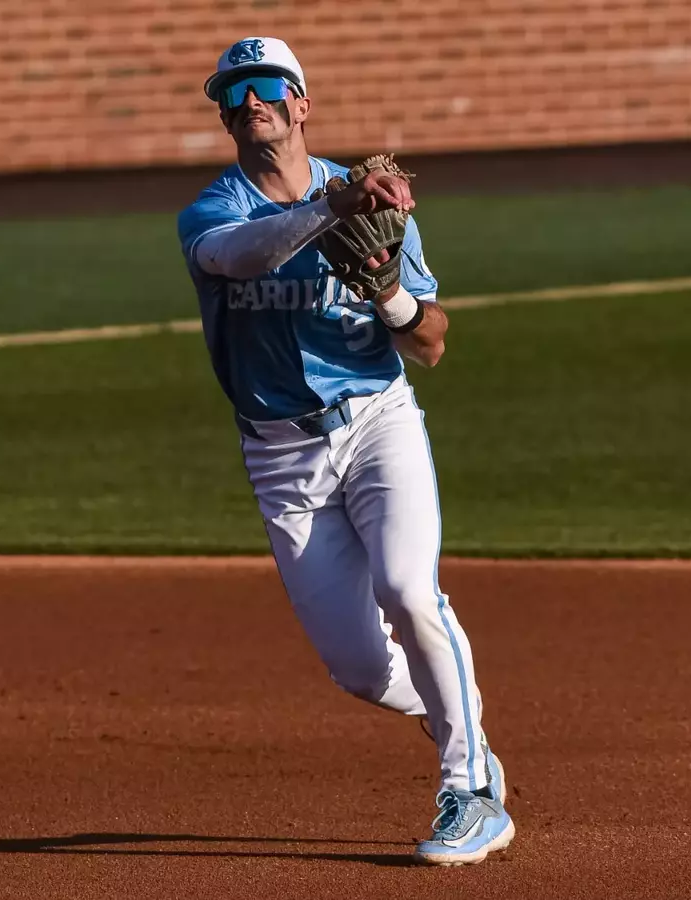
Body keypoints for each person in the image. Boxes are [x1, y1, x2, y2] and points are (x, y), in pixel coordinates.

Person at [175, 36, 515, 866]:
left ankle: (470, 788)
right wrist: (331, 210)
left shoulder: (377, 201)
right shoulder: (213, 212)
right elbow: (239, 257)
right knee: (361, 670)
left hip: (376, 422)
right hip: (281, 458)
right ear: (225, 114)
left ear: (300, 103)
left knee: (409, 588)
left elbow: (432, 343)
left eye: (265, 85)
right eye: (233, 92)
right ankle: (459, 723)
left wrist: (391, 292)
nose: (249, 100)